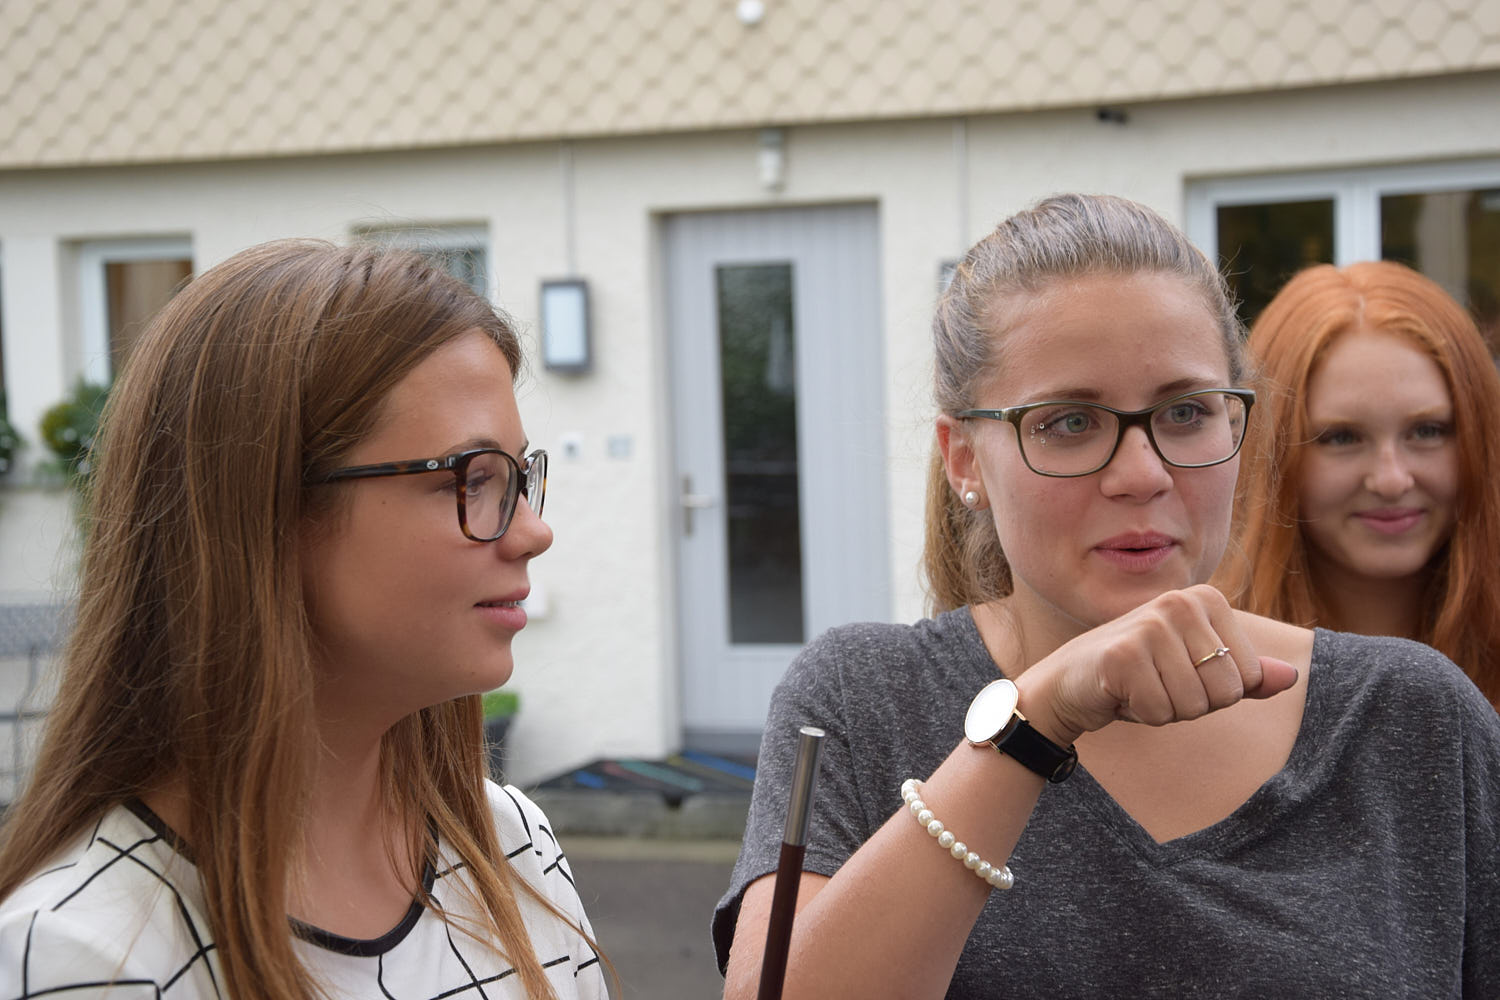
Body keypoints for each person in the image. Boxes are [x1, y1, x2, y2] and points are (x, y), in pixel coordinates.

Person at [713, 194, 1500, 998]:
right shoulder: (863, 700)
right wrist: (1035, 722)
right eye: (1068, 422)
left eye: (1186, 412)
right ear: (964, 460)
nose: (1143, 474)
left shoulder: (1412, 718)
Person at [0, 241, 610, 999]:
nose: (533, 532)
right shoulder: (85, 957)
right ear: (269, 512)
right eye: (471, 478)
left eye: (518, 476)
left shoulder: (510, 847)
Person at [1223, 260, 1500, 707]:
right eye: (1342, 438)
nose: (1391, 480)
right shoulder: (1205, 674)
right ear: (1272, 453)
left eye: (1427, 431)